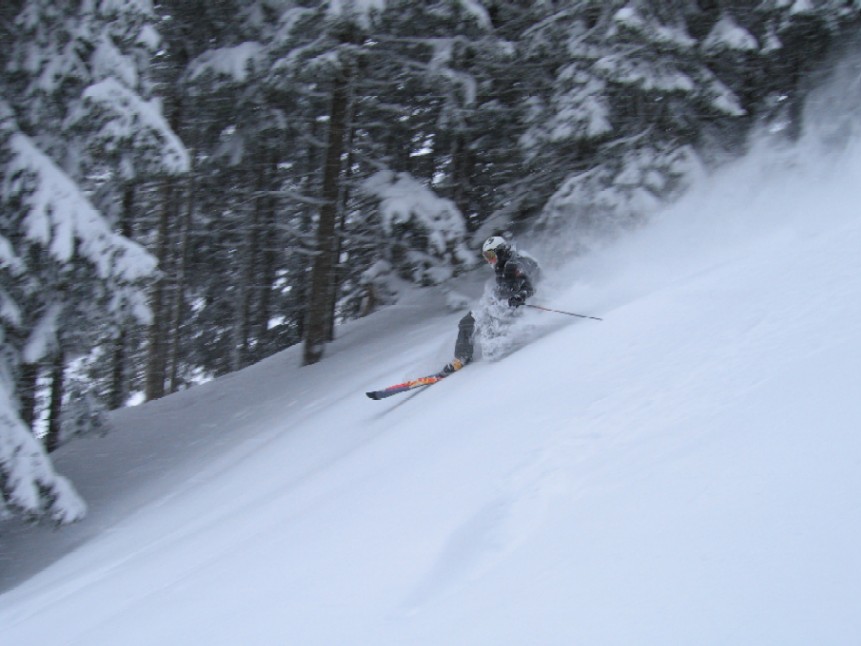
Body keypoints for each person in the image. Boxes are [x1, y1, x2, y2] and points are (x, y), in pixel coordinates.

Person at [441, 235, 540, 375]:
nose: (489, 260)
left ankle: (466, 356)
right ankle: (463, 356)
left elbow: (529, 287)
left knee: (475, 328)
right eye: (486, 256)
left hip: (515, 309)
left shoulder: (513, 265)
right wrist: (497, 297)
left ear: (500, 252)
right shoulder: (505, 264)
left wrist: (519, 297)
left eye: (491, 255)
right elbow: (506, 288)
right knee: (471, 321)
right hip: (506, 307)